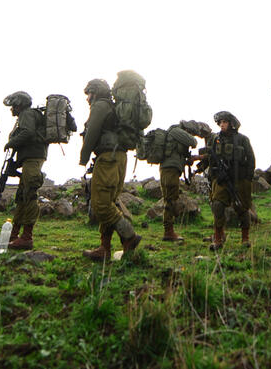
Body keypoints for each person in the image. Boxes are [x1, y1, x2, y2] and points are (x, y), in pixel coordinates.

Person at [79, 78, 141, 261]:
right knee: (110, 201)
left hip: (108, 158)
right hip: (118, 158)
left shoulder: (100, 106)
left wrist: (83, 157)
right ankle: (104, 248)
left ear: (95, 92)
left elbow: (92, 132)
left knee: (101, 204)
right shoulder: (114, 108)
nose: (87, 98)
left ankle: (129, 236)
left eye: (89, 93)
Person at [196, 111, 255, 250]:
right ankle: (218, 238)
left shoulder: (242, 139)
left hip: (239, 179)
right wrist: (201, 168)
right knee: (217, 205)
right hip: (221, 179)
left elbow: (251, 159)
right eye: (220, 122)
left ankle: (245, 238)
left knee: (242, 208)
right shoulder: (215, 139)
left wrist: (247, 178)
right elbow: (210, 157)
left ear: (231, 124)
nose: (222, 125)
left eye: (225, 122)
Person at [0, 91, 46, 250]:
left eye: (13, 105)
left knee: (30, 194)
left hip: (33, 157)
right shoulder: (27, 115)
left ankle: (27, 237)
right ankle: (14, 234)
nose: (11, 109)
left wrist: (11, 143)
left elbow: (28, 133)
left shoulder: (27, 114)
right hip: (29, 157)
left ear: (19, 104)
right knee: (22, 195)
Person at [156, 121, 201, 242]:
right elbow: (193, 142)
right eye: (191, 132)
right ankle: (168, 232)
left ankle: (169, 230)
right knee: (170, 199)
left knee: (170, 198)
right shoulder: (176, 131)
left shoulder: (176, 135)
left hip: (170, 169)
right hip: (169, 170)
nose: (192, 135)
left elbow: (175, 154)